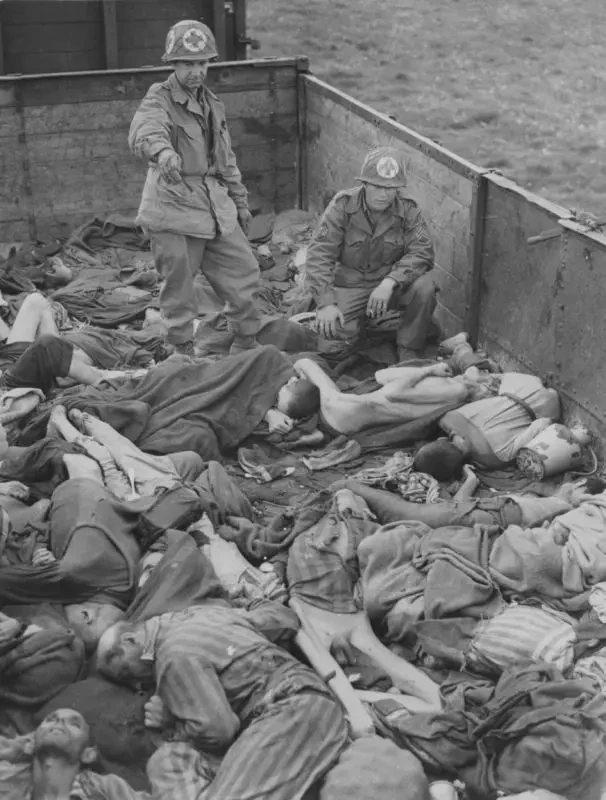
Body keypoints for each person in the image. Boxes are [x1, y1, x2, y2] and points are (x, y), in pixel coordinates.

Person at [96, 601, 349, 800]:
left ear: (130, 640)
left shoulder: (171, 655)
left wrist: (171, 724)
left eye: (127, 673)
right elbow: (285, 619)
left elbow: (217, 731)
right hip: (309, 705)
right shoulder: (201, 614)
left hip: (291, 714)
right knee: (168, 761)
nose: (137, 685)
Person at [129, 19, 262, 357]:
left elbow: (226, 160)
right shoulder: (159, 97)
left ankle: (246, 343)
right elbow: (146, 130)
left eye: (202, 63)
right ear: (173, 64)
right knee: (179, 288)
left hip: (214, 206)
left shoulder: (212, 103)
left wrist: (240, 203)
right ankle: (182, 352)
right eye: (188, 64)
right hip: (173, 208)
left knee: (244, 272)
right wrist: (163, 153)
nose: (196, 71)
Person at [305, 146, 437, 361]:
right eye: (377, 186)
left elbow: (422, 252)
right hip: (350, 284)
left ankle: (409, 347)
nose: (384, 194)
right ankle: (363, 327)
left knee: (424, 287)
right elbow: (320, 254)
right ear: (364, 184)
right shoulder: (342, 206)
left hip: (389, 285)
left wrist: (390, 282)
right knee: (331, 348)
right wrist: (326, 303)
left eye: (391, 188)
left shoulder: (408, 209)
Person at [0, 708, 172, 799]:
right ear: (30, 744)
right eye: (51, 719)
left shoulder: (105, 788)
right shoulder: (7, 779)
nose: (60, 722)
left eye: (74, 724)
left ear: (88, 754)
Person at [413, 371, 561, 477]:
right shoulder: (447, 418)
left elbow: (542, 423)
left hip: (548, 402)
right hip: (521, 381)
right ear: (441, 439)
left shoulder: (494, 459)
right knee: (477, 381)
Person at [293, 356, 477, 436]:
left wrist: (430, 370)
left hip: (353, 416)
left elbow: (304, 364)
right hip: (364, 410)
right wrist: (429, 370)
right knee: (382, 375)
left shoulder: (332, 405)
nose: (290, 381)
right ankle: (463, 351)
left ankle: (463, 351)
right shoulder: (455, 390)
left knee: (382, 375)